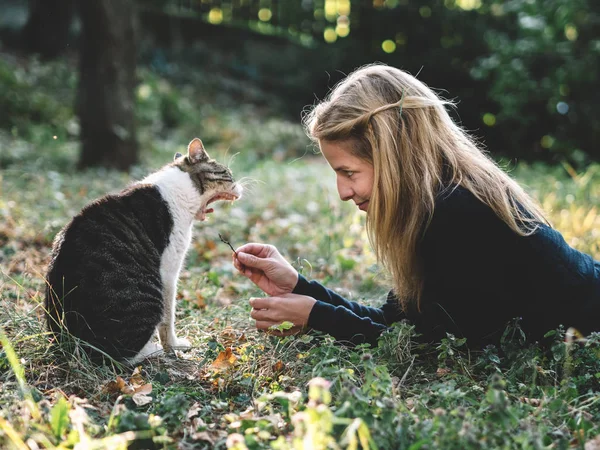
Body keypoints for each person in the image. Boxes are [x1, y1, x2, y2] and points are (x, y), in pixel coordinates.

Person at [232, 64, 600, 349]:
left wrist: (317, 318)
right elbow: (395, 323)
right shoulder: (432, 207)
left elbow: (436, 347)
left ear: (394, 157)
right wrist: (299, 286)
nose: (343, 192)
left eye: (349, 172)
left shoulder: (460, 211)